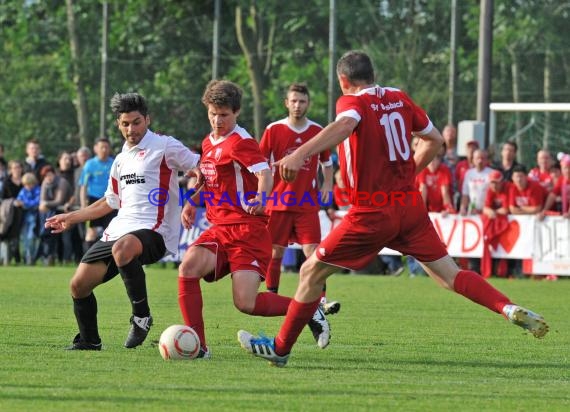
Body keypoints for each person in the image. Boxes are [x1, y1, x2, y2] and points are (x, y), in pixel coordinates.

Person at [237, 50, 549, 367]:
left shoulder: (352, 102)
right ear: (372, 74)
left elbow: (345, 125)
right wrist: (407, 174)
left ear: (343, 81)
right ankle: (506, 308)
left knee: (309, 271)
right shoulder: (399, 98)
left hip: (371, 213)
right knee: (450, 275)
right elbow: (435, 140)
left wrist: (299, 154)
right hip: (409, 206)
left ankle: (280, 348)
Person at [177, 80, 330, 359]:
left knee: (245, 303)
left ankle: (309, 308)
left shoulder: (242, 142)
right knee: (188, 267)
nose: (217, 120)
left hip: (248, 231)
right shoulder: (208, 143)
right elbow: (211, 181)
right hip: (219, 228)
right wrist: (191, 202)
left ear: (236, 113)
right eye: (212, 113)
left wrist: (261, 198)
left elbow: (265, 174)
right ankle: (198, 346)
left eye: (223, 114)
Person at [45, 92, 201, 350]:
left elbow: (202, 168)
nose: (131, 129)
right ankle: (89, 341)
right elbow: (110, 201)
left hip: (155, 231)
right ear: (118, 124)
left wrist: (194, 199)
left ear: (147, 120)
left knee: (123, 248)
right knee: (78, 285)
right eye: (125, 124)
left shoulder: (164, 145)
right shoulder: (120, 159)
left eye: (137, 122)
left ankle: (141, 316)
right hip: (119, 230)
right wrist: (71, 217)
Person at [259, 83, 339, 313]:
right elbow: (260, 164)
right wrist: (261, 194)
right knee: (276, 253)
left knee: (314, 253)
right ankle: (272, 296)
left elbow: (326, 163)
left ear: (308, 104)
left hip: (306, 203)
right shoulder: (273, 129)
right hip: (278, 202)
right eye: (293, 101)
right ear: (286, 103)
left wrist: (328, 184)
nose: (297, 105)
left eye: (302, 101)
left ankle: (320, 302)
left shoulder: (317, 131)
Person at [79, 138, 116, 251]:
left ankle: (109, 260)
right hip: (93, 201)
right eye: (102, 147)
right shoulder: (89, 165)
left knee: (111, 232)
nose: (104, 150)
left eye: (106, 147)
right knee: (91, 232)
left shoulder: (114, 163)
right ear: (95, 149)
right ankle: (87, 260)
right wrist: (83, 206)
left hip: (111, 201)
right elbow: (83, 186)